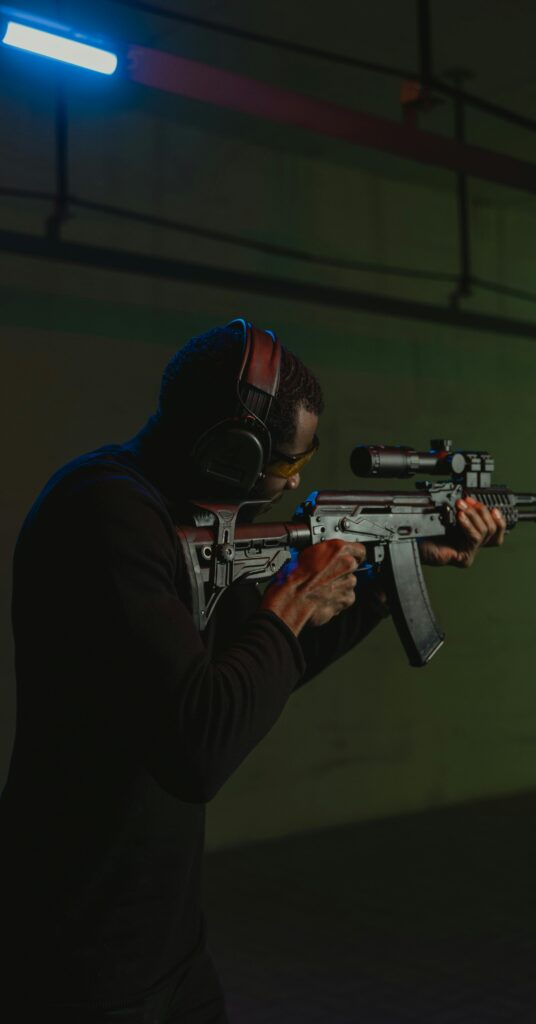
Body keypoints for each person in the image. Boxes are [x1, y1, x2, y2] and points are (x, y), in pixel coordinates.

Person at [0, 319, 505, 1022]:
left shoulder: (180, 514)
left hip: (164, 936)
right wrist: (293, 601)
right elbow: (198, 746)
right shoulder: (104, 513)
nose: (293, 481)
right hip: (78, 950)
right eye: (287, 466)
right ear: (231, 451)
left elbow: (256, 672)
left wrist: (396, 570)